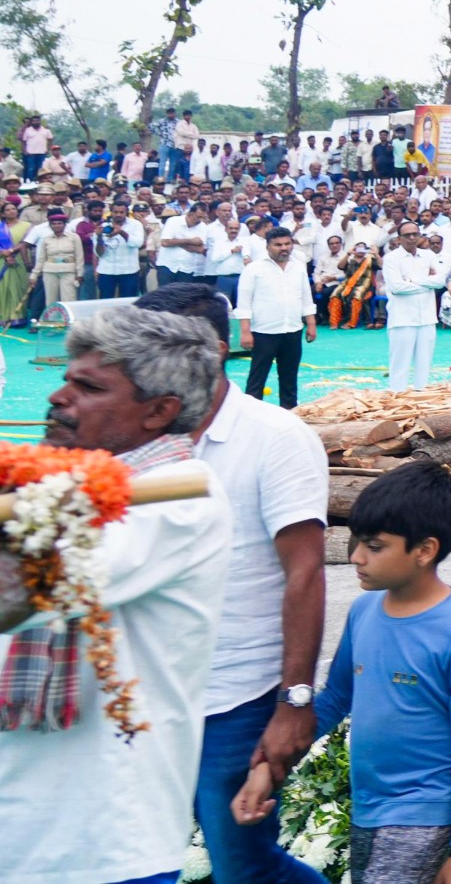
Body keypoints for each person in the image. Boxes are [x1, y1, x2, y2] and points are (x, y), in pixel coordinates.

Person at [0, 303, 231, 884]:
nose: (59, 397)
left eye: (89, 387)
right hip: (19, 826)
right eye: (66, 379)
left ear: (159, 411)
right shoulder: (54, 484)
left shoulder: (178, 498)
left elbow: (17, 596)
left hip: (100, 839)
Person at [236, 459, 451, 884]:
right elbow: (336, 699)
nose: (356, 557)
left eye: (374, 547)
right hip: (368, 809)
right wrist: (270, 765)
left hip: (422, 818)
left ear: (424, 550)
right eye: (357, 541)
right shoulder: (363, 611)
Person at [178, 279, 332, 884]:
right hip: (161, 691)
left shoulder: (276, 437)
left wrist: (294, 702)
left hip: (238, 695)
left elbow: (305, 572)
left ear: (215, 351)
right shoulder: (147, 437)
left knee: (242, 865)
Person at [237, 225, 321, 408]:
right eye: (278, 245)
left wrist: (311, 324)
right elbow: (243, 303)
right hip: (263, 331)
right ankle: (251, 412)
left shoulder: (298, 267)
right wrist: (245, 331)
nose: (284, 248)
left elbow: (306, 297)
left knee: (289, 376)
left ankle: (289, 412)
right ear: (267, 246)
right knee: (257, 377)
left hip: (292, 330)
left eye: (287, 244)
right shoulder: (254, 269)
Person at [380, 221, 444, 390]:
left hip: (427, 317)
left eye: (415, 234)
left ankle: (420, 394)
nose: (411, 238)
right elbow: (396, 287)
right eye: (407, 235)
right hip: (402, 318)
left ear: (420, 236)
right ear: (399, 238)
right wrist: (427, 284)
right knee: (399, 364)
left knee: (424, 364)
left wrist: (411, 280)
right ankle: (397, 394)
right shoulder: (391, 259)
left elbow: (440, 281)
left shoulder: (429, 256)